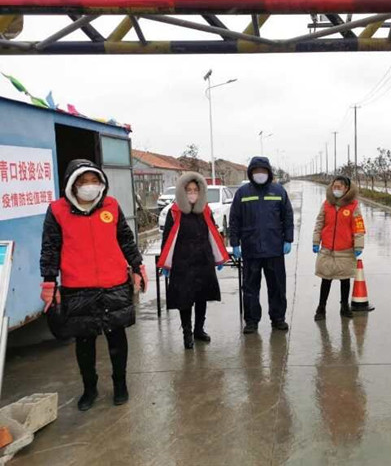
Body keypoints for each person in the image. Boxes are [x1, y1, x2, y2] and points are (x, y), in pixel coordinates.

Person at [40, 159, 146, 411]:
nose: (89, 186)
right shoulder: (57, 211)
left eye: (94, 180)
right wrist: (49, 281)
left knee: (117, 337)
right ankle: (90, 388)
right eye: (83, 181)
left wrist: (137, 266)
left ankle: (120, 384)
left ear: (101, 183)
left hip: (114, 284)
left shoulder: (111, 205)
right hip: (78, 287)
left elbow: (126, 239)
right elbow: (50, 248)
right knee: (85, 341)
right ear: (72, 184)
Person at [159, 172, 229, 349]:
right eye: (188, 190)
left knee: (201, 297)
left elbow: (213, 232)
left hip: (203, 260)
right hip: (182, 262)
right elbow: (167, 238)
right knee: (185, 299)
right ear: (182, 192)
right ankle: (187, 333)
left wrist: (217, 255)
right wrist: (165, 261)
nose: (192, 193)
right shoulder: (174, 212)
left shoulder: (205, 210)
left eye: (195, 190)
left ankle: (199, 330)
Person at [229, 157, 294, 334]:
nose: (260, 174)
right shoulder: (242, 193)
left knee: (277, 287)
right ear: (251, 173)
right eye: (256, 171)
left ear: (268, 172)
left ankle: (278, 318)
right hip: (251, 249)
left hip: (274, 248)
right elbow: (234, 219)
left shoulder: (278, 191)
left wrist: (288, 239)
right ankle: (251, 321)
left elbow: (287, 216)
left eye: (263, 171)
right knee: (250, 288)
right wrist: (235, 243)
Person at [312, 176, 365, 320]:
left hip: (345, 249)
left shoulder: (353, 205)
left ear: (346, 188)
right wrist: (316, 241)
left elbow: (358, 226)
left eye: (339, 187)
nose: (336, 189)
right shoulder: (327, 204)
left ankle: (344, 306)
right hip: (327, 248)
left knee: (345, 279)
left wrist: (359, 244)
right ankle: (321, 308)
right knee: (326, 279)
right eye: (334, 186)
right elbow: (319, 223)